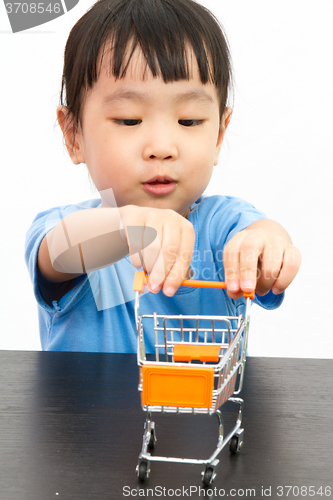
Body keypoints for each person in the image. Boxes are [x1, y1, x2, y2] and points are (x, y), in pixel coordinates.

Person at [25, 0, 301, 353]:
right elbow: (60, 252)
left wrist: (265, 251)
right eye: (129, 120)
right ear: (73, 135)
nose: (161, 147)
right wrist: (126, 228)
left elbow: (262, 235)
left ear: (219, 135)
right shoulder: (68, 228)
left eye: (189, 121)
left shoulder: (225, 224)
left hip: (201, 409)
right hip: (88, 410)